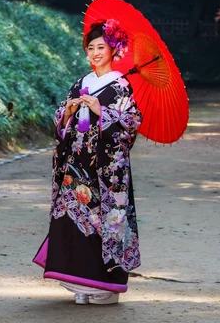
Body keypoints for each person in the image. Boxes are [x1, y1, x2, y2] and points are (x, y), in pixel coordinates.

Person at [33, 20, 142, 305]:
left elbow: (130, 126)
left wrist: (103, 112)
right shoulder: (82, 83)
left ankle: (105, 288)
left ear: (113, 50)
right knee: (74, 221)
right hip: (75, 165)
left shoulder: (121, 86)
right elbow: (61, 122)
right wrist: (68, 112)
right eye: (90, 48)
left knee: (103, 223)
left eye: (101, 47)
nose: (94, 53)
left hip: (105, 171)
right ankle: (79, 284)